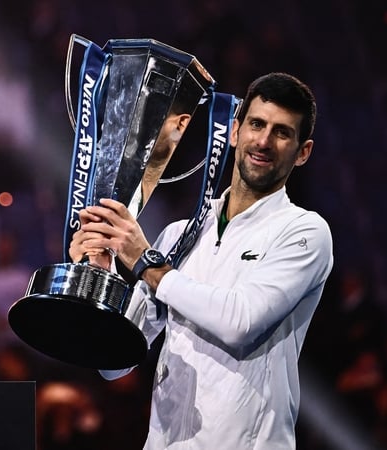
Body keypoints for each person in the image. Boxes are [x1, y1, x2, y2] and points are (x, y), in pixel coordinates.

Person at [69, 72, 334, 449]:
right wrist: (102, 273)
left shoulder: (304, 232)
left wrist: (145, 262)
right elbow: (114, 365)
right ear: (235, 130)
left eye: (282, 132)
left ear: (302, 151)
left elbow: (241, 322)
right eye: (256, 124)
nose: (263, 141)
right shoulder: (181, 234)